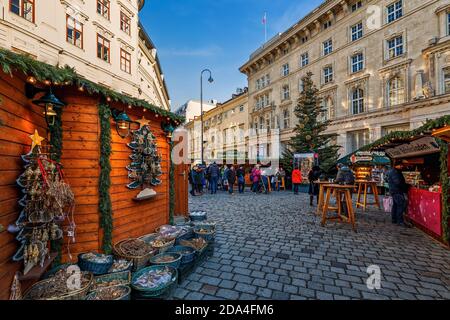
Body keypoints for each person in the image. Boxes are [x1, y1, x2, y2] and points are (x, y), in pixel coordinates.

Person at [387, 161, 411, 227]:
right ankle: (400, 221)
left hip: (394, 190)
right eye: (400, 165)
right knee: (401, 204)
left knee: (395, 205)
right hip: (397, 191)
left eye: (401, 165)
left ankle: (394, 219)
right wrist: (406, 186)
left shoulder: (393, 171)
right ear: (396, 165)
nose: (401, 166)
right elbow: (398, 182)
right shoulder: (395, 172)